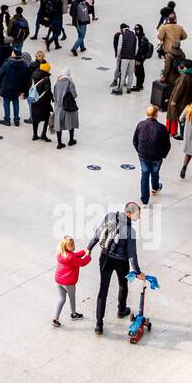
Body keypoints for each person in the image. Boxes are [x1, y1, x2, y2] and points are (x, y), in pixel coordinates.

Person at [87, 202, 144, 336]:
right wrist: (138, 272)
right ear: (129, 214)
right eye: (138, 214)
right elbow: (132, 256)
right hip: (121, 262)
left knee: (103, 290)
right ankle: (121, 310)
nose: (139, 217)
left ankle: (99, 325)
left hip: (105, 258)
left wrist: (89, 248)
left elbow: (98, 233)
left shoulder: (110, 216)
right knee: (122, 285)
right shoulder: (131, 231)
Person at [132, 105, 171, 205]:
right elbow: (167, 144)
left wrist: (140, 152)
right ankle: (155, 187)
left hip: (143, 155)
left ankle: (144, 200)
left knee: (144, 175)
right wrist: (163, 155)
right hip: (156, 156)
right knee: (155, 172)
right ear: (156, 114)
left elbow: (135, 140)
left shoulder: (140, 124)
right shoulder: (161, 128)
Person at [53, 236, 91, 326]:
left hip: (59, 281)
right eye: (71, 245)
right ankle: (73, 314)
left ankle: (55, 318)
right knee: (72, 298)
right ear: (66, 247)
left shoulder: (61, 253)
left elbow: (74, 255)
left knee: (61, 299)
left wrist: (83, 252)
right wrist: (88, 256)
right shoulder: (71, 257)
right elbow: (82, 262)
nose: (74, 246)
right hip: (68, 283)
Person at [0, 50, 29, 127]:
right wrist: (23, 89)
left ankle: (7, 120)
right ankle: (16, 120)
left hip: (6, 86)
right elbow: (25, 78)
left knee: (6, 103)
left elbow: (0, 73)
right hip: (17, 87)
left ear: (14, 55)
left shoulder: (7, 63)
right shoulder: (23, 64)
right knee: (16, 103)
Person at [167, 61, 192, 139]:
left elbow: (179, 89)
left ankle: (177, 133)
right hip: (187, 98)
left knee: (177, 116)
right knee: (183, 117)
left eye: (182, 67)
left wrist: (174, 100)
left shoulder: (185, 76)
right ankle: (182, 133)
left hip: (181, 100)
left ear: (185, 67)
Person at [51, 67, 79, 149]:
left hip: (58, 107)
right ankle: (71, 140)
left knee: (58, 124)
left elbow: (54, 96)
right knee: (71, 123)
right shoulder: (70, 83)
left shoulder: (56, 83)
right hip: (68, 107)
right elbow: (74, 95)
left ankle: (59, 143)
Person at [28, 61, 54, 140]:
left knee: (35, 118)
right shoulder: (46, 79)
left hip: (34, 100)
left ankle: (35, 135)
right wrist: (52, 98)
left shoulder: (33, 75)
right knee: (46, 118)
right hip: (44, 102)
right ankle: (43, 134)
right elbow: (47, 91)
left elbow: (29, 86)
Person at [111, 23, 138, 94]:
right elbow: (136, 48)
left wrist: (118, 55)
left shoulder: (122, 35)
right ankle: (129, 88)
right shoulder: (135, 36)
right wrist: (133, 55)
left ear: (123, 29)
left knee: (122, 73)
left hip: (124, 57)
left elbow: (119, 47)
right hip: (132, 58)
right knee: (130, 73)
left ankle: (120, 88)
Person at [132, 24, 153, 93]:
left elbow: (140, 50)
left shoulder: (141, 38)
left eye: (137, 30)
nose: (136, 31)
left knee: (138, 71)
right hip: (140, 58)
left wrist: (138, 59)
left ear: (140, 30)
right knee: (139, 71)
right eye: (135, 29)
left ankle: (139, 85)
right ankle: (140, 85)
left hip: (139, 58)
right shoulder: (141, 37)